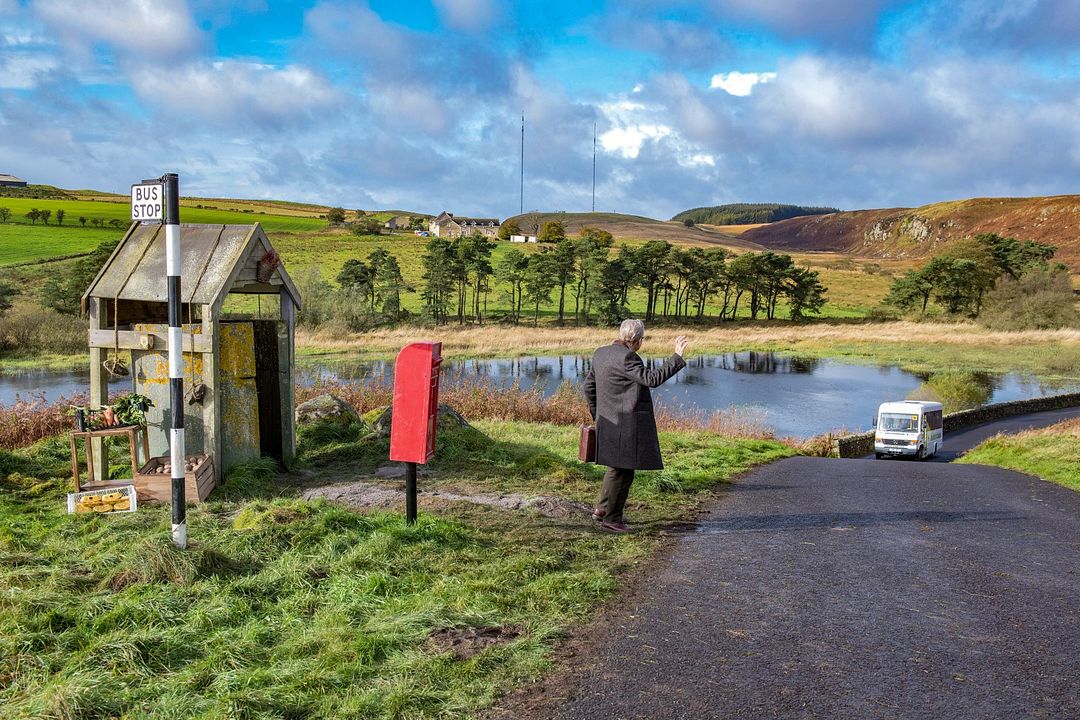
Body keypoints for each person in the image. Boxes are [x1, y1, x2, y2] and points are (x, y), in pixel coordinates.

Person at [583, 319, 690, 533]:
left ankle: (602, 510)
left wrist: (599, 416)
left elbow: (588, 387)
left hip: (608, 421)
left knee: (615, 467)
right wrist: (677, 357)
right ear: (638, 340)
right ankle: (612, 519)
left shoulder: (600, 353)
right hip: (626, 425)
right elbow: (651, 379)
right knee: (624, 471)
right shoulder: (628, 357)